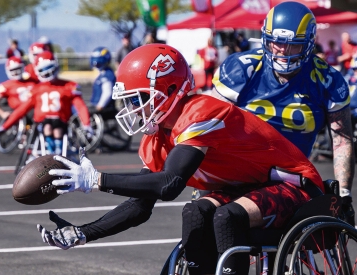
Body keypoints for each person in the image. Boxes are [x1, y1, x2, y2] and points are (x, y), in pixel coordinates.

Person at [36, 44, 324, 275]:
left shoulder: (202, 111)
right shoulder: (158, 137)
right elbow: (139, 206)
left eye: (138, 99)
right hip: (247, 188)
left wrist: (97, 180)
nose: (132, 109)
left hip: (294, 185)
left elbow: (169, 184)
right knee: (194, 213)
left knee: (226, 217)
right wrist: (83, 233)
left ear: (171, 90)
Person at [212, 1, 355, 227]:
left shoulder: (327, 80)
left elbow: (341, 141)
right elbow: (208, 123)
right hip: (237, 171)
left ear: (308, 44)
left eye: (292, 44)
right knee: (197, 215)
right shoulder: (243, 67)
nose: (282, 50)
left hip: (289, 177)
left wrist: (344, 193)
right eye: (276, 42)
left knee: (230, 220)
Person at [0, 51, 92, 155]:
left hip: (61, 121)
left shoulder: (67, 86)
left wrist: (86, 124)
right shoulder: (37, 89)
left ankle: (56, 152)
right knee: (48, 127)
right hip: (43, 123)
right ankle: (52, 151)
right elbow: (21, 110)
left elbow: (80, 107)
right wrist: (5, 126)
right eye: (43, 69)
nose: (47, 72)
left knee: (56, 128)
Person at [89, 46, 116, 114]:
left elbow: (107, 93)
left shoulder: (107, 74)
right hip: (98, 105)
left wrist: (100, 105)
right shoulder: (102, 73)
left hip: (104, 109)